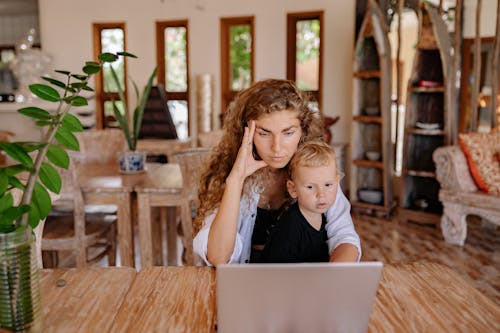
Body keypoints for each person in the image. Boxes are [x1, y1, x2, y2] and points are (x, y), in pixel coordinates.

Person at [193, 79, 360, 265]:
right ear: (246, 133)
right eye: (264, 133)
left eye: (288, 133)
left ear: (302, 131)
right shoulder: (229, 174)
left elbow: (344, 237)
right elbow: (218, 257)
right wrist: (236, 180)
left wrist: (332, 276)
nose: (277, 147)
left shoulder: (315, 170)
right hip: (249, 286)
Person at [259, 140, 342, 263]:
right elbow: (274, 273)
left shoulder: (323, 216)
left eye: (328, 185)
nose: (321, 194)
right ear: (293, 189)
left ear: (337, 182)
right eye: (310, 187)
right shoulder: (289, 229)